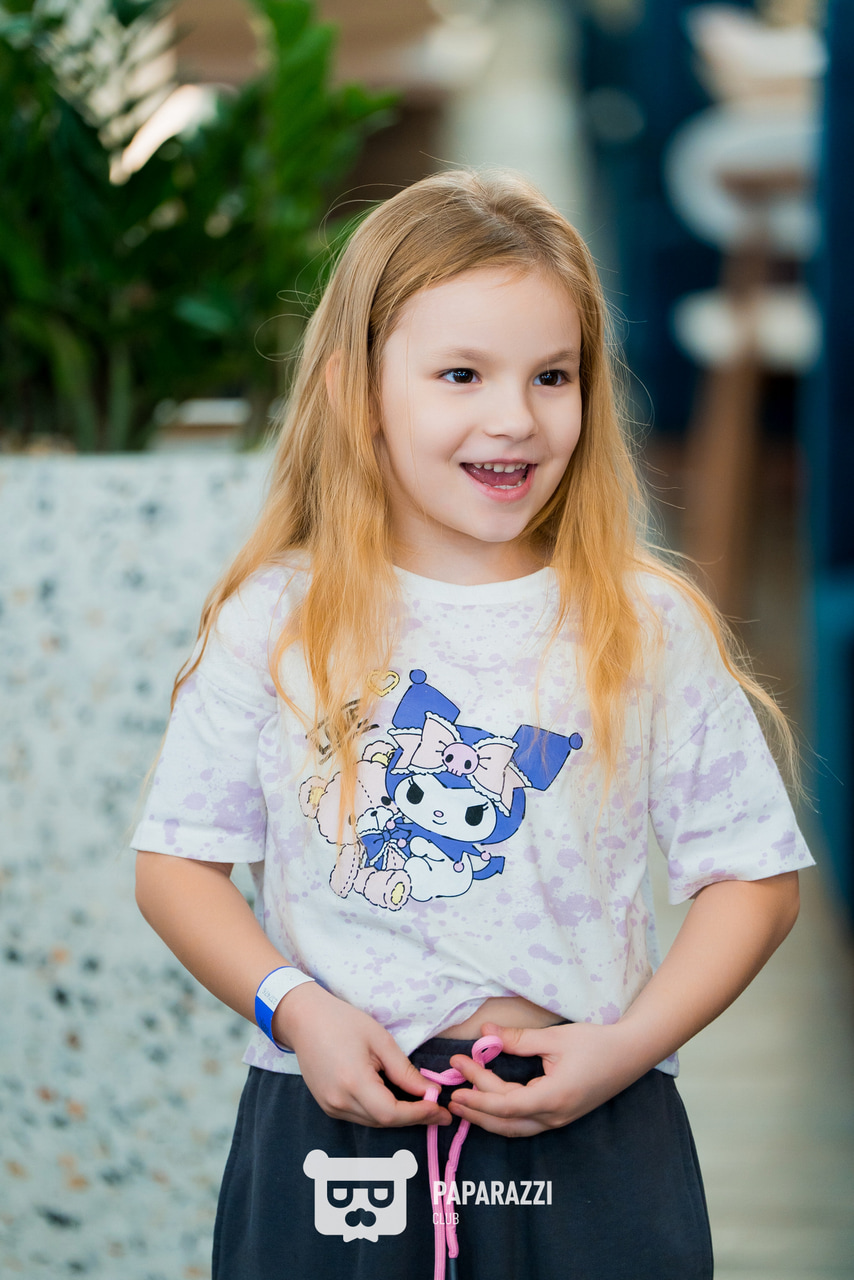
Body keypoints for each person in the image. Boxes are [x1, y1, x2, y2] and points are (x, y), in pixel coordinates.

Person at [132, 169, 812, 1280]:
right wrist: (295, 1010)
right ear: (358, 391)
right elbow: (176, 865)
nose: (515, 417)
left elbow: (755, 879)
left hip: (597, 1123)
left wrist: (625, 1049)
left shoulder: (641, 623)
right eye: (461, 374)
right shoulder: (277, 619)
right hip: (333, 1124)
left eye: (552, 375)